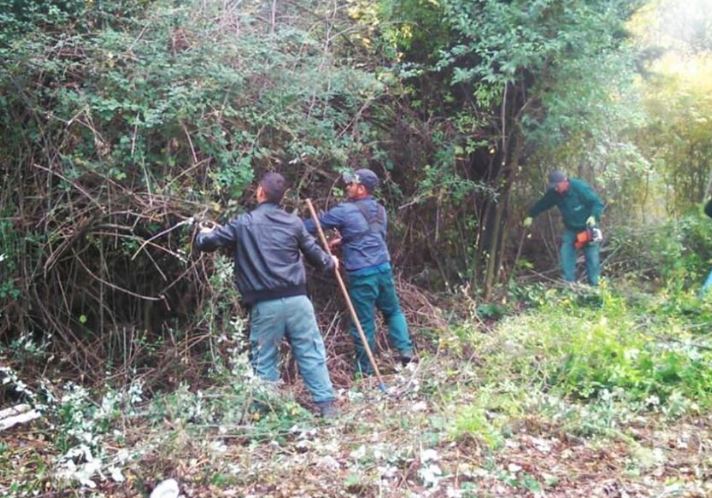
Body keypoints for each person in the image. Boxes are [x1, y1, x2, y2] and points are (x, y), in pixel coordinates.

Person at [195, 172, 338, 417]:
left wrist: (201, 234)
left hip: (265, 305)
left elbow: (208, 243)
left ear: (260, 192)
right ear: (282, 197)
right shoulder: (293, 223)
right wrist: (331, 261)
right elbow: (318, 258)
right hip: (298, 302)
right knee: (310, 350)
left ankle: (267, 411)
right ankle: (327, 406)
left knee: (264, 357)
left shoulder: (243, 223)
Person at [304, 168, 414, 376]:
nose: (347, 187)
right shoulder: (380, 210)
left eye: (351, 184)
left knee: (363, 322)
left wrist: (287, 226)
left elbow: (312, 225)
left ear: (361, 189)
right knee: (392, 311)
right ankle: (405, 351)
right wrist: (345, 241)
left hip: (362, 273)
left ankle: (365, 371)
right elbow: (371, 235)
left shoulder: (344, 211)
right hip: (383, 267)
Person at [523, 170, 604, 286]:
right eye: (553, 186)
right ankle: (568, 284)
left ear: (565, 181)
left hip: (587, 229)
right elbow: (543, 203)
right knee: (566, 254)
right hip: (571, 229)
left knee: (592, 258)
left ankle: (595, 287)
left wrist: (593, 216)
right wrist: (531, 215)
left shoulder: (579, 188)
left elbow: (597, 203)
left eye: (557, 185)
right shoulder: (554, 193)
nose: (556, 188)